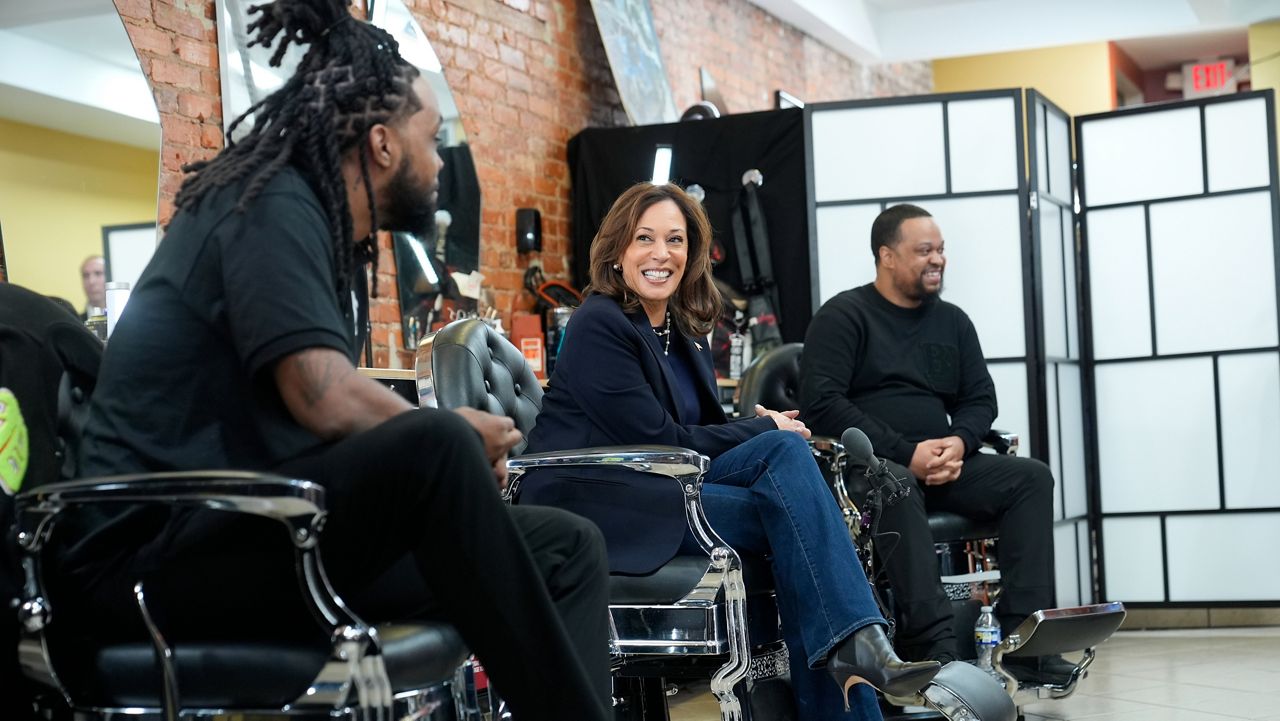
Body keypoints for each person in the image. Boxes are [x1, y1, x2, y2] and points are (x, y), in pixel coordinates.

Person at [54, 2, 611, 718]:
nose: (442, 161)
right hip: (150, 558)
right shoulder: (269, 202)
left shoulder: (324, 231)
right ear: (381, 144)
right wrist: (458, 436)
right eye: (432, 139)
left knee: (568, 546)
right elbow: (321, 395)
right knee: (435, 441)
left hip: (258, 527)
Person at [523, 183, 940, 719]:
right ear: (617, 250)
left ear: (692, 253)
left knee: (791, 495)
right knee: (791, 499)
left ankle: (855, 653)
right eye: (644, 238)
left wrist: (758, 430)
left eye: (675, 240)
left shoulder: (681, 327)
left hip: (666, 487)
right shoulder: (598, 322)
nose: (661, 253)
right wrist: (759, 430)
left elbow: (705, 434)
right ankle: (860, 657)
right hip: (604, 501)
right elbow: (665, 441)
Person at [799, 203, 1068, 684]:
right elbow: (822, 405)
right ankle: (934, 646)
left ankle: (1026, 642)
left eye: (941, 250)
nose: (937, 259)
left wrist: (960, 442)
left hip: (944, 462)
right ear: (886, 256)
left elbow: (980, 398)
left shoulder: (952, 321)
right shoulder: (844, 316)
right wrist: (907, 453)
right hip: (874, 467)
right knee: (896, 482)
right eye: (924, 250)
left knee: (1031, 478)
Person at [78, 255, 105, 319]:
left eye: (98, 273)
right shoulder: (75, 324)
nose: (91, 281)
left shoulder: (125, 320)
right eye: (86, 275)